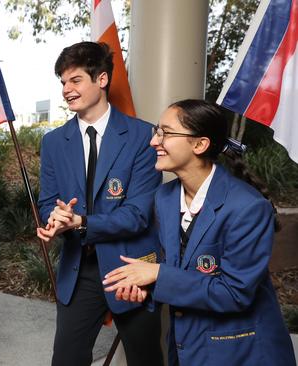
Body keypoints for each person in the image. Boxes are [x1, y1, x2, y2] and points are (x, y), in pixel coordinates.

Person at [103, 99, 296, 365]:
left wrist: (158, 274)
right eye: (156, 132)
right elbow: (182, 269)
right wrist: (149, 288)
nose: (153, 142)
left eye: (165, 133)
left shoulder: (248, 207)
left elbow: (234, 293)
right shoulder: (165, 197)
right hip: (186, 349)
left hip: (242, 352)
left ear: (199, 144)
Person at [36, 41, 164, 366]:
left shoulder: (143, 137)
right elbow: (47, 203)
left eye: (75, 80)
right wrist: (55, 220)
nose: (66, 89)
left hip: (130, 267)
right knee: (66, 359)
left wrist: (81, 222)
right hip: (79, 269)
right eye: (62, 82)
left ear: (102, 79)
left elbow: (137, 215)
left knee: (145, 358)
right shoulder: (53, 142)